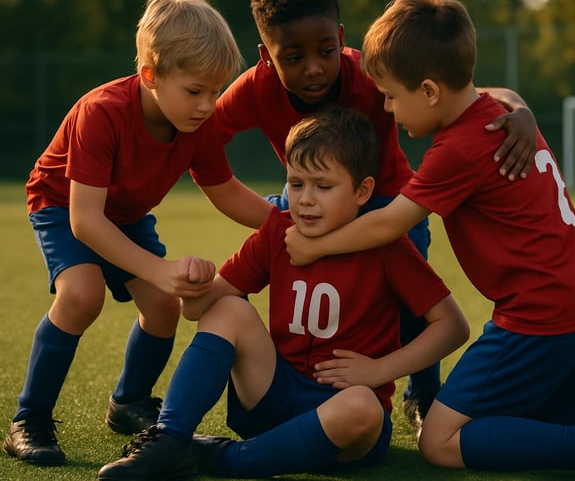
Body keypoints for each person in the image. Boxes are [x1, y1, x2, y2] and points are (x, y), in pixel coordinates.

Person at [284, 0, 575, 479]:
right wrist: (522, 106)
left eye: (392, 97)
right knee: (522, 420)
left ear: (431, 91)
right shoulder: (502, 116)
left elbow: (391, 221)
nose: (390, 111)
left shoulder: (460, 147)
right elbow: (503, 93)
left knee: (439, 441)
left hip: (537, 321)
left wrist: (315, 244)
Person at [215, 0, 537, 434]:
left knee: (410, 298)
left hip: (387, 201)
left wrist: (521, 108)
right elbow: (203, 137)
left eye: (326, 50)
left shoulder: (368, 72)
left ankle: (423, 394)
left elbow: (471, 91)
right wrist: (263, 214)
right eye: (293, 57)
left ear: (341, 35)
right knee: (281, 269)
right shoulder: (253, 90)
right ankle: (289, 383)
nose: (313, 68)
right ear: (266, 55)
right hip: (307, 200)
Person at [96, 105, 470, 479]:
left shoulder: (387, 246)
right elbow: (199, 310)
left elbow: (452, 326)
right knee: (229, 309)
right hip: (275, 395)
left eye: (323, 186)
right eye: (295, 184)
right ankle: (170, 440)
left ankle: (230, 459)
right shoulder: (278, 229)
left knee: (363, 408)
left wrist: (380, 370)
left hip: (342, 417)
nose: (305, 199)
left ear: (362, 191)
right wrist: (195, 281)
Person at [2, 0, 275, 467]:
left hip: (125, 216)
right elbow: (85, 221)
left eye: (216, 91)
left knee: (164, 305)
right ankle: (29, 419)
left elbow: (226, 191)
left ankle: (129, 402)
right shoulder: (102, 111)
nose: (208, 105)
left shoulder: (199, 125)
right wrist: (159, 268)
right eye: (195, 91)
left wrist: (290, 223)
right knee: (82, 295)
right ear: (150, 75)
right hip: (64, 206)